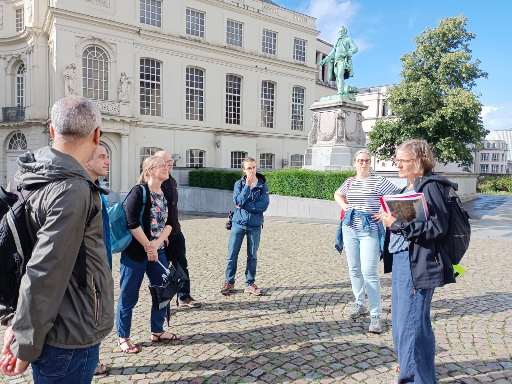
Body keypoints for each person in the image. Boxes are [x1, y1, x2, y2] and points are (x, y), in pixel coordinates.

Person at [0, 96, 114, 383]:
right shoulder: (71, 189)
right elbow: (44, 271)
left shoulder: (29, 174)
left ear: (51, 130)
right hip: (69, 332)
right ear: (97, 134)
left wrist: (18, 323)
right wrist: (24, 343)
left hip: (53, 322)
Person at [379, 139, 456, 383]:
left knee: (411, 324)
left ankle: (413, 378)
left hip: (418, 263)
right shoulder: (409, 187)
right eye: (397, 160)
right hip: (404, 260)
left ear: (419, 161)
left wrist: (397, 223)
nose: (398, 165)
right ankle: (415, 371)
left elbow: (438, 227)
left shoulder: (430, 186)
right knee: (405, 323)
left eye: (402, 160)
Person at [116, 155, 178, 354]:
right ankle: (123, 336)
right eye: (161, 165)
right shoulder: (139, 191)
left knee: (163, 292)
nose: (166, 167)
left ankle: (158, 331)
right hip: (135, 253)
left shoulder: (165, 193)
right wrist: (148, 246)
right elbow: (131, 221)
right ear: (150, 170)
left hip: (158, 253)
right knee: (128, 295)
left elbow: (171, 224)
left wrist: (157, 244)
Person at [334, 149, 399, 334]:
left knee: (369, 271)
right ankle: (359, 303)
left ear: (370, 163)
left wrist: (386, 213)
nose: (363, 163)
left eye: (366, 161)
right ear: (355, 162)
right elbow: (337, 194)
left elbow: (396, 195)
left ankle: (376, 316)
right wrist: (345, 206)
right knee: (354, 268)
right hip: (349, 228)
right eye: (360, 160)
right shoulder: (350, 181)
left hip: (369, 229)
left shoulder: (378, 181)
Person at [154, 151, 201, 308]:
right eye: (166, 161)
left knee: (181, 264)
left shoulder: (171, 180)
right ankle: (163, 302)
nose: (171, 163)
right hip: (161, 236)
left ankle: (183, 296)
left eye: (171, 160)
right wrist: (160, 234)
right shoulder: (154, 182)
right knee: (163, 270)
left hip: (175, 231)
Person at [221, 157, 270, 296]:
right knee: (232, 254)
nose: (252, 170)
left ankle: (250, 283)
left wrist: (245, 206)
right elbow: (237, 201)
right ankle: (229, 282)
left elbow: (264, 205)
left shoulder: (262, 185)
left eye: (254, 167)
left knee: (252, 256)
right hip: (238, 224)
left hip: (255, 225)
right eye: (249, 168)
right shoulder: (239, 184)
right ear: (244, 169)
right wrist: (247, 187)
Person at [85, 145, 111, 376]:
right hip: (88, 271)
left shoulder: (96, 190)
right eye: (102, 156)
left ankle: (93, 360)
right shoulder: (83, 192)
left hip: (101, 264)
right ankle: (90, 362)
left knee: (96, 314)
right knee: (90, 315)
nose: (107, 161)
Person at [319, 26, 358, 96]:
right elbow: (333, 52)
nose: (340, 33)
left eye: (341, 31)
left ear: (344, 32)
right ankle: (341, 91)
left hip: (343, 60)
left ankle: (340, 92)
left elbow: (355, 48)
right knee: (337, 77)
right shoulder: (338, 41)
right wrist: (325, 59)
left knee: (340, 75)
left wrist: (349, 52)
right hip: (336, 61)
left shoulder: (348, 39)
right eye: (339, 31)